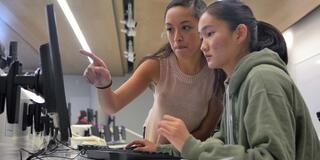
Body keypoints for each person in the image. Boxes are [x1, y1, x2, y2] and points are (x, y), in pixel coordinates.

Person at [126, 1, 320, 159]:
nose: (203, 46)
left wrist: (188, 145)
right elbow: (222, 142)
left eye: (210, 34)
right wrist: (165, 149)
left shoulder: (263, 79)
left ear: (240, 33)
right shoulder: (234, 85)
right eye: (202, 37)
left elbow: (272, 157)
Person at [80, 0, 226, 144]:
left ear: (203, 29)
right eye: (170, 29)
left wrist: (168, 149)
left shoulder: (217, 72)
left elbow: (206, 131)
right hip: (152, 148)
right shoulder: (156, 65)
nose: (177, 38)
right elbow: (112, 106)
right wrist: (103, 85)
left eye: (186, 27)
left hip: (186, 152)